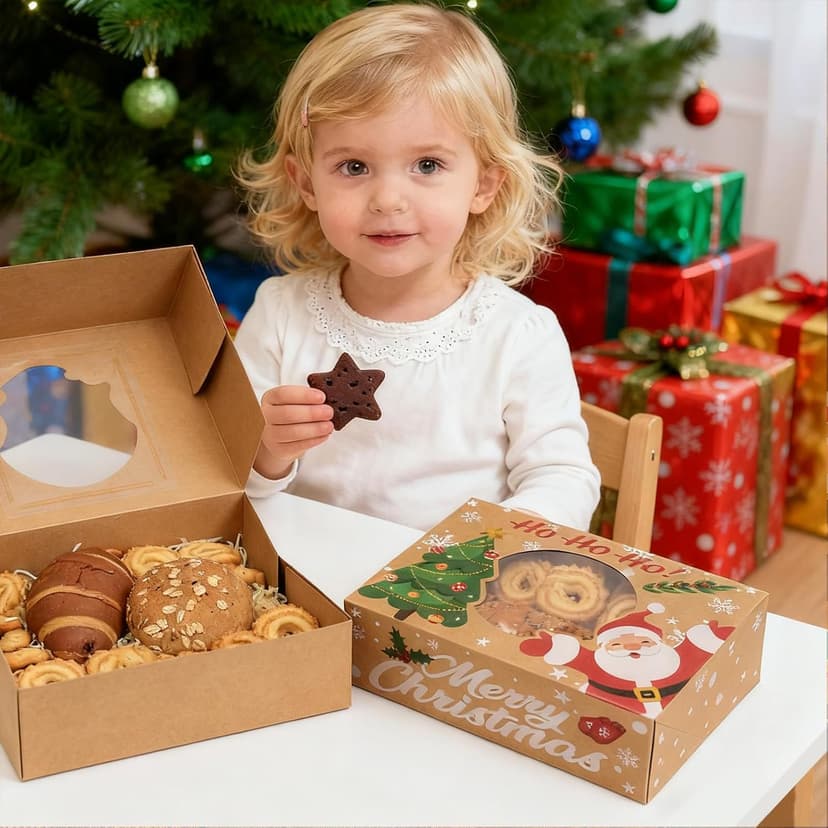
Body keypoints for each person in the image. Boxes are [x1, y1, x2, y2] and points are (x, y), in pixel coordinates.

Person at [233, 2, 600, 532]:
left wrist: (493, 544)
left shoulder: (518, 335)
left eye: (427, 165)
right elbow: (231, 479)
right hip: (302, 590)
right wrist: (266, 450)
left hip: (451, 592)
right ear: (307, 182)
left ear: (483, 184)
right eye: (353, 166)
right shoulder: (280, 314)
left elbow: (564, 478)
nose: (387, 199)